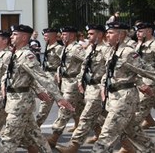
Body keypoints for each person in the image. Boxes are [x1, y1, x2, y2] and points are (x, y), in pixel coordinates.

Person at [0, 24, 74, 152]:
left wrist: (59, 98)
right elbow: (23, 77)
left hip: (19, 104)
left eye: (15, 34)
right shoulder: (15, 54)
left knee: (8, 139)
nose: (11, 37)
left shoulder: (26, 56)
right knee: (36, 137)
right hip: (14, 102)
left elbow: (41, 77)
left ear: (23, 38)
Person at [90, 22, 155, 152]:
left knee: (106, 135)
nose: (107, 35)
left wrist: (142, 84)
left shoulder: (128, 52)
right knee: (134, 133)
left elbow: (145, 71)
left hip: (124, 98)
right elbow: (110, 73)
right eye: (107, 32)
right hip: (114, 97)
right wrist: (103, 87)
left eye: (110, 33)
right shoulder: (112, 51)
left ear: (120, 35)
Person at [56, 24, 111, 152]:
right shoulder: (91, 48)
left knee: (86, 117)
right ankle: (126, 143)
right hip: (88, 88)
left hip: (98, 88)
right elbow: (84, 66)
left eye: (91, 34)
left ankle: (73, 146)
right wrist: (81, 80)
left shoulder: (106, 49)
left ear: (99, 34)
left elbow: (112, 70)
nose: (88, 36)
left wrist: (104, 86)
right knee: (101, 116)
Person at [47, 26, 86, 148]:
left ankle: (54, 137)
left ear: (72, 36)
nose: (62, 36)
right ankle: (98, 132)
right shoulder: (66, 48)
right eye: (62, 34)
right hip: (65, 82)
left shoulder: (76, 48)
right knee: (80, 109)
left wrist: (81, 77)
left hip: (73, 82)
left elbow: (87, 61)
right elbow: (63, 63)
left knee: (64, 109)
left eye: (65, 34)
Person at [35, 27, 64, 126]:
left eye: (46, 35)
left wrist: (58, 71)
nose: (44, 37)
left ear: (53, 35)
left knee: (46, 102)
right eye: (44, 35)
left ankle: (36, 126)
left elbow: (65, 62)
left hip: (53, 78)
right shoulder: (48, 46)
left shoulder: (58, 48)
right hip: (47, 76)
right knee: (63, 103)